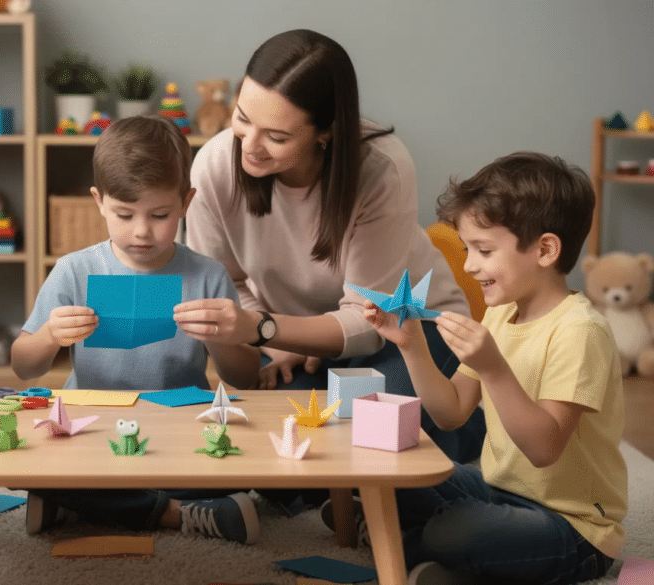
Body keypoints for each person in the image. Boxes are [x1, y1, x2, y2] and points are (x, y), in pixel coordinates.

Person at [175, 29, 485, 467]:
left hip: (407, 328)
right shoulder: (213, 167)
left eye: (277, 137)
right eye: (242, 117)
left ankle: (462, 429)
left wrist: (265, 328)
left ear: (326, 132)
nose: (250, 145)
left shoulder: (382, 170)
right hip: (290, 336)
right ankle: (445, 431)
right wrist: (274, 336)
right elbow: (231, 284)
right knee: (285, 445)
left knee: (375, 430)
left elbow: (367, 317)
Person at [362, 152, 625, 584]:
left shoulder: (581, 332)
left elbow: (544, 450)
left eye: (484, 250)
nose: (468, 265)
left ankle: (403, 544)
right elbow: (450, 413)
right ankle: (419, 546)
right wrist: (411, 346)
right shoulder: (502, 314)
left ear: (545, 249)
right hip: (499, 490)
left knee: (454, 532)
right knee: (400, 472)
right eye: (468, 249)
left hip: (572, 527)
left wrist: (494, 369)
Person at [11, 115, 262, 544]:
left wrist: (223, 337)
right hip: (93, 428)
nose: (142, 231)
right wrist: (50, 336)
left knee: (239, 468)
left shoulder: (207, 275)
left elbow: (245, 378)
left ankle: (80, 502)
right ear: (99, 201)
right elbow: (21, 367)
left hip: (179, 429)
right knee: (31, 465)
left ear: (186, 203)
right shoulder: (75, 271)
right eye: (124, 214)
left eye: (160, 215)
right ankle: (173, 513)